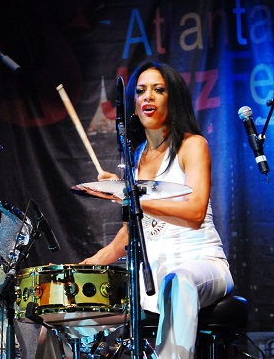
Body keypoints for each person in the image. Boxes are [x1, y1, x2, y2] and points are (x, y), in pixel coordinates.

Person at [81, 61, 233, 359]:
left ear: (172, 98)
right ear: (133, 105)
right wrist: (96, 262)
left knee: (177, 281)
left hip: (200, 266)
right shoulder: (136, 157)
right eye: (141, 91)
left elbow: (194, 213)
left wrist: (129, 197)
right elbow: (133, 230)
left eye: (158, 90)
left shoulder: (193, 146)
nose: (148, 96)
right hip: (152, 276)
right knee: (67, 314)